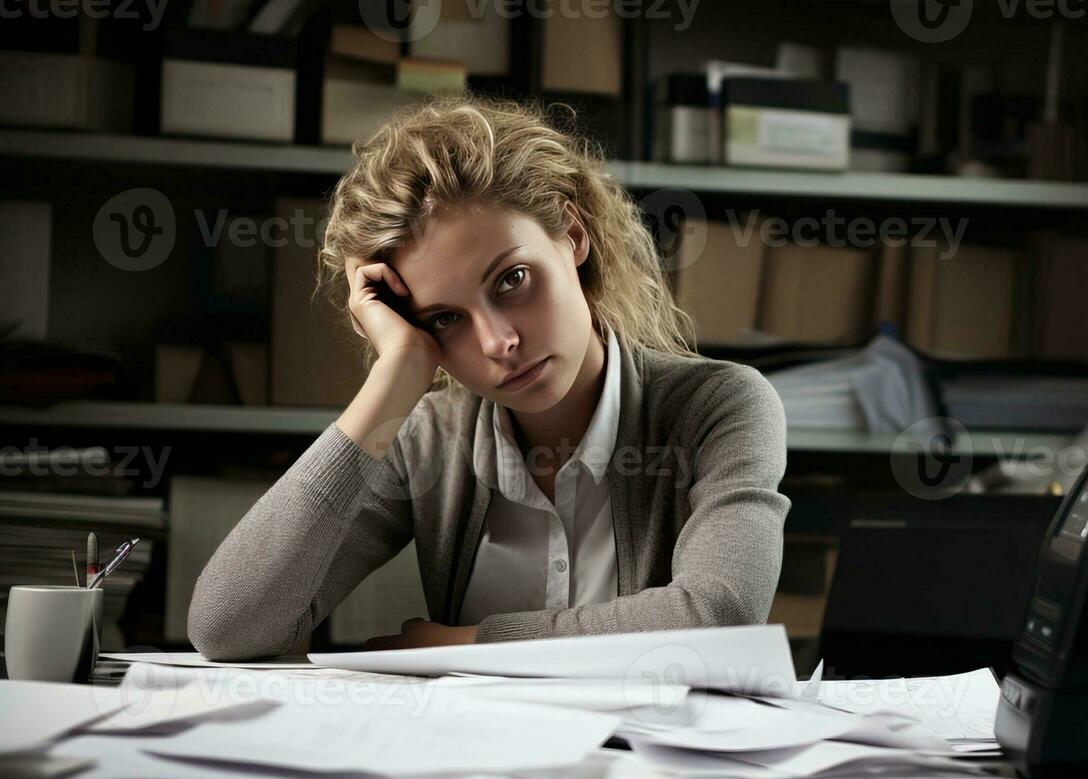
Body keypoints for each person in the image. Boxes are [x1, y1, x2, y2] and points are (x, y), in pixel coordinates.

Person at [188, 95, 790, 662]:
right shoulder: (424, 441)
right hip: (473, 769)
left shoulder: (721, 406)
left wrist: (469, 643)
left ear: (573, 236)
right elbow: (227, 628)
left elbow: (720, 618)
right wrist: (394, 381)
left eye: (512, 280)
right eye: (446, 319)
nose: (499, 343)